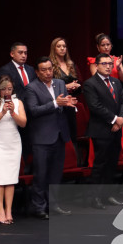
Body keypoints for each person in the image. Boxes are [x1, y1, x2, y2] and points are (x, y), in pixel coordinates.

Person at [23, 57, 76, 219]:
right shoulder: (31, 88)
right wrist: (55, 103)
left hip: (59, 135)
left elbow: (64, 103)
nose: (48, 72)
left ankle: (53, 205)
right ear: (37, 72)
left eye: (50, 69)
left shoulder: (59, 84)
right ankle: (39, 207)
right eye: (44, 70)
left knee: (55, 174)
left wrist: (69, 104)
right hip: (41, 138)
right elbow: (33, 110)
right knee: (41, 174)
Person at [82, 53, 123, 209]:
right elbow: (95, 107)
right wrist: (114, 119)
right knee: (100, 164)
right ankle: (94, 197)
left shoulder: (116, 82)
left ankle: (107, 194)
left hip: (116, 130)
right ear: (97, 65)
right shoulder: (90, 84)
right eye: (105, 63)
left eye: (110, 63)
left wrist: (120, 120)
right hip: (101, 130)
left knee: (112, 164)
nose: (109, 66)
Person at [0, 76, 27, 225]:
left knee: (10, 179)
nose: (7, 91)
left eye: (9, 89)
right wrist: (2, 112)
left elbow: (23, 123)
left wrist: (13, 112)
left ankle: (9, 210)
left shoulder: (18, 102)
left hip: (13, 143)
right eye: (4, 89)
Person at [0, 42, 36, 164]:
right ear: (12, 54)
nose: (24, 55)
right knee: (19, 145)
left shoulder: (30, 69)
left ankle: (29, 171)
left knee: (30, 143)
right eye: (20, 52)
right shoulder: (5, 69)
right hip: (15, 111)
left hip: (31, 112)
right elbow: (3, 91)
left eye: (25, 53)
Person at [49, 37, 81, 142]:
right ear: (54, 49)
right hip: (59, 104)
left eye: (64, 46)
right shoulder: (50, 66)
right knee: (61, 136)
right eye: (59, 46)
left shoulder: (71, 64)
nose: (62, 48)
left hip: (72, 104)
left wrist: (76, 86)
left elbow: (80, 83)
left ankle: (75, 157)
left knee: (73, 135)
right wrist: (66, 86)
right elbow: (49, 85)